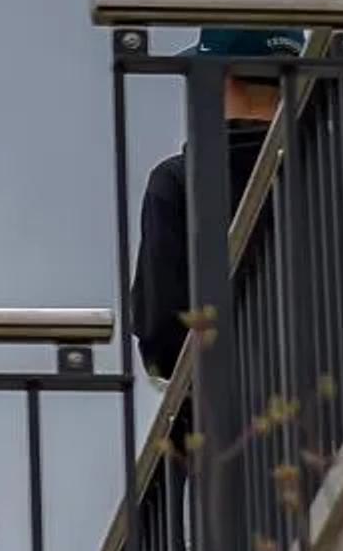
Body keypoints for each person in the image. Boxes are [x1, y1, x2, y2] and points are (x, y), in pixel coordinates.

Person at [128, 26, 299, 384]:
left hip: (224, 413)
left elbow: (161, 336)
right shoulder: (334, 166)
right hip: (342, 397)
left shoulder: (178, 182)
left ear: (221, 80)